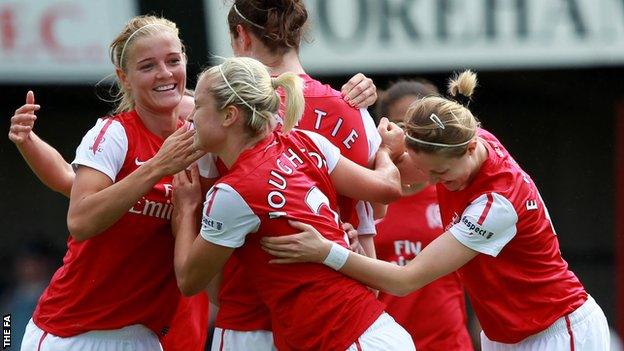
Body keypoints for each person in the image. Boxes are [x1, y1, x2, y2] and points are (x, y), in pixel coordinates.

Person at [261, 70, 611, 350]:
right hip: (505, 334)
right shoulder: (460, 138)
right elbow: (399, 183)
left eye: (440, 176)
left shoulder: (496, 204)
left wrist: (327, 251)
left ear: (471, 148)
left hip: (557, 329)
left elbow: (405, 280)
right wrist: (386, 147)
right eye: (429, 173)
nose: (431, 182)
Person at [172, 56, 414, 351]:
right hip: (367, 330)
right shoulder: (306, 142)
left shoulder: (233, 192)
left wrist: (185, 210)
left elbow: (188, 280)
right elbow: (387, 187)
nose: (191, 118)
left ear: (229, 116)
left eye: (198, 105)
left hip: (346, 339)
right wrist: (385, 151)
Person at [13, 15, 210, 351]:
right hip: (73, 333)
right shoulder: (115, 133)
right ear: (125, 78)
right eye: (147, 66)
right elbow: (81, 219)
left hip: (145, 336)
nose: (164, 74)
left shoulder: (200, 141)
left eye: (173, 61)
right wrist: (158, 165)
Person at [210, 1, 382, 349]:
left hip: (247, 322)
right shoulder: (353, 110)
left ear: (241, 36)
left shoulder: (220, 115)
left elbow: (207, 264)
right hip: (333, 321)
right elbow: (376, 214)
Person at [373, 80, 474, 350]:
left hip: (447, 343)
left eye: (422, 128)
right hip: (384, 343)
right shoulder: (364, 192)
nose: (412, 137)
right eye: (402, 127)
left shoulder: (456, 190)